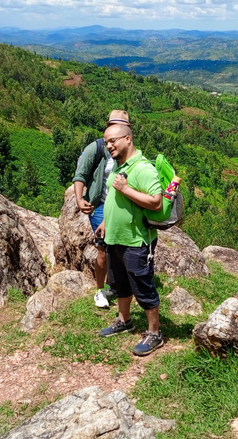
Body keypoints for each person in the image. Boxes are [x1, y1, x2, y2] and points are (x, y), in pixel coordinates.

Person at [96, 122, 164, 356]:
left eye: (113, 140)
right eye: (106, 142)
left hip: (136, 241)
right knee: (120, 284)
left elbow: (157, 201)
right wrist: (106, 222)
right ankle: (124, 320)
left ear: (128, 139)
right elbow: (113, 199)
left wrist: (126, 189)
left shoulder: (143, 168)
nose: (109, 145)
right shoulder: (117, 165)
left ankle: (155, 333)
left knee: (143, 285)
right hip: (115, 238)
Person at [72, 110, 130, 308]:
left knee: (121, 246)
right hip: (100, 204)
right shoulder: (96, 148)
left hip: (121, 203)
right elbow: (80, 174)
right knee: (103, 247)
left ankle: (118, 285)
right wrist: (80, 199)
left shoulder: (127, 150)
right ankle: (100, 290)